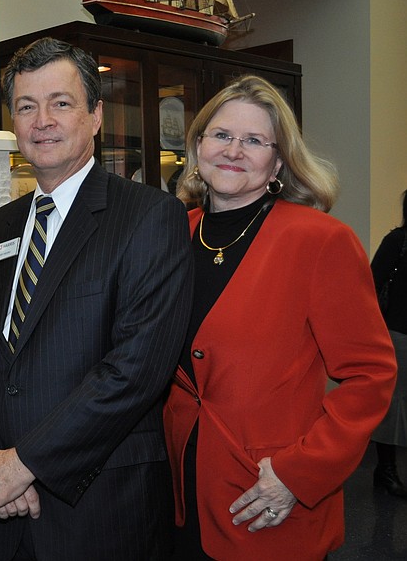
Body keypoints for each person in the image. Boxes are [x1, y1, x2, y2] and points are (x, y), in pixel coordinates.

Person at [0, 37, 193, 560]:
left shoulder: (150, 217)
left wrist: (24, 465)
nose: (42, 121)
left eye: (60, 103)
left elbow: (135, 370)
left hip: (101, 507)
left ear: (96, 115)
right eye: (26, 106)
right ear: (12, 122)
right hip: (8, 512)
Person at [164, 74, 397, 559]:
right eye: (223, 135)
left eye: (254, 141)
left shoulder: (319, 241)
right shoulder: (173, 235)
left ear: (278, 160)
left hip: (266, 497)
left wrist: (298, 473)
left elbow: (370, 375)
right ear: (198, 144)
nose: (234, 150)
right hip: (177, 492)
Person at [369, 190, 407, 498]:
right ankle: (386, 468)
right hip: (398, 332)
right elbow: (371, 282)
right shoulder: (398, 241)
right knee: (393, 403)